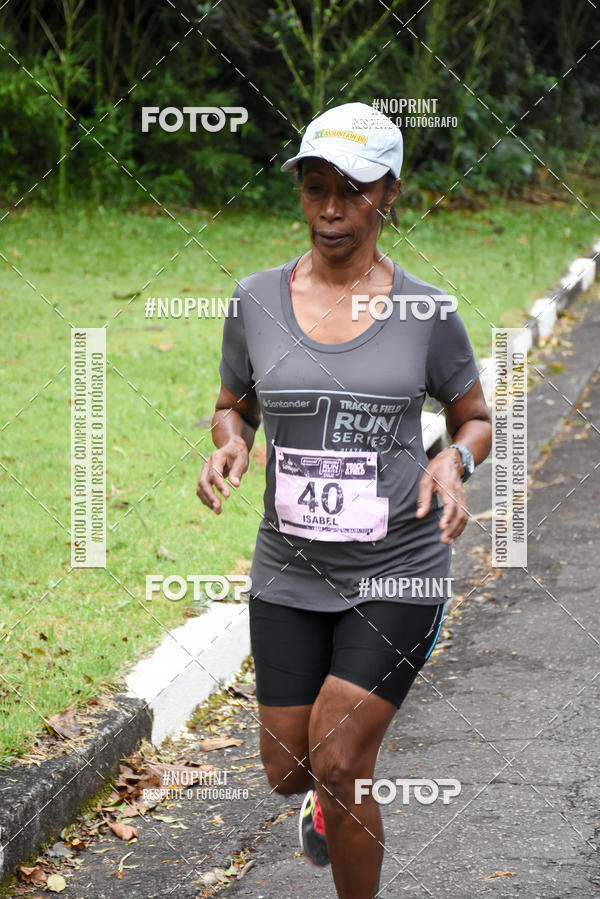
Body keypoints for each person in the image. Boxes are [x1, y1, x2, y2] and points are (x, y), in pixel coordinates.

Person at [197, 101, 492, 899]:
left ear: (389, 194)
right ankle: (326, 803)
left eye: (353, 191)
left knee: (338, 756)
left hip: (398, 566)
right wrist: (231, 441)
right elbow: (234, 404)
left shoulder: (426, 311)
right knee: (290, 768)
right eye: (315, 187)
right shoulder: (256, 299)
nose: (331, 209)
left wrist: (454, 461)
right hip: (289, 570)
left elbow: (473, 417)